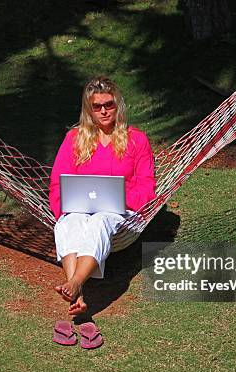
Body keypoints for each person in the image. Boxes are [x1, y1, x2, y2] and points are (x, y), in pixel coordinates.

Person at [49, 76, 156, 319]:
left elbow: (147, 187)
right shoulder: (74, 139)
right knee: (68, 223)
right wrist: (63, 208)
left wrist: (120, 198)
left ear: (118, 105)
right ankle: (77, 291)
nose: (104, 111)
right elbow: (57, 182)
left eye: (109, 104)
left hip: (121, 213)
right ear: (89, 110)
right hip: (80, 208)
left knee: (99, 221)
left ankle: (75, 283)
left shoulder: (137, 139)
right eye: (97, 106)